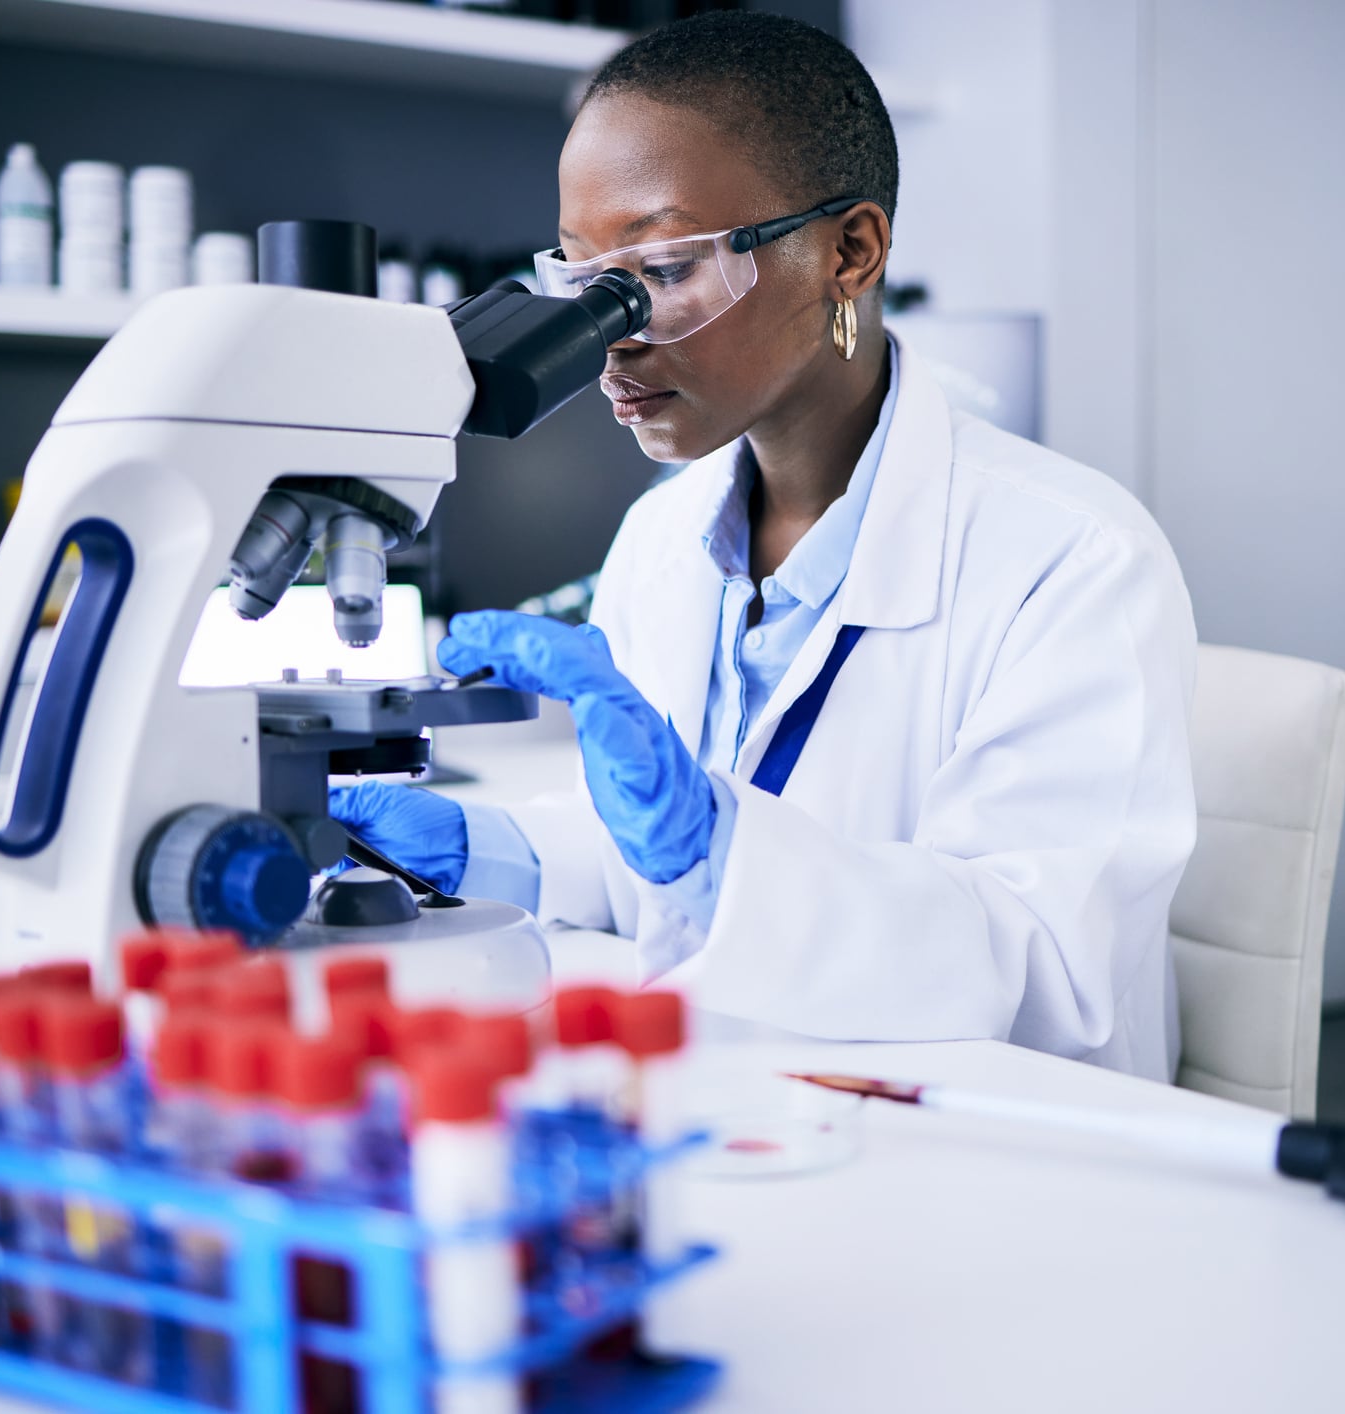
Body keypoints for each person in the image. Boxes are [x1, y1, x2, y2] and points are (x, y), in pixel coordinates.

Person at [333, 12, 1198, 1079]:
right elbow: (651, 875)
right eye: (581, 280)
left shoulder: (1072, 561)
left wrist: (718, 846)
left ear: (849, 251)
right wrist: (480, 848)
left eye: (661, 270)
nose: (608, 336)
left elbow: (1042, 971)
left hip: (983, 1153)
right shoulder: (660, 539)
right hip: (743, 1106)